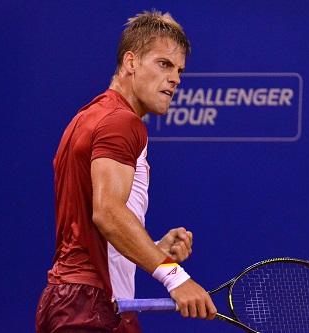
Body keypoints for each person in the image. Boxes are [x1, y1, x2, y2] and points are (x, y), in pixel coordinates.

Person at [36, 10, 217, 333]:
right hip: (91, 307)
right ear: (130, 62)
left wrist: (153, 247)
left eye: (179, 70)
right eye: (164, 64)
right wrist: (174, 275)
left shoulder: (90, 116)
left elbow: (94, 228)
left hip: (85, 303)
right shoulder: (122, 122)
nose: (175, 78)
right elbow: (106, 212)